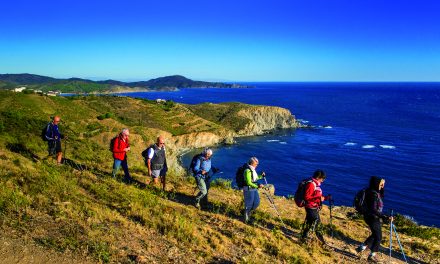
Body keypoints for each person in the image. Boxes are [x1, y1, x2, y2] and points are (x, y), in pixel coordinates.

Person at [356, 176, 391, 262]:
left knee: (375, 234)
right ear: (376, 184)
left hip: (370, 216)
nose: (382, 186)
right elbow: (373, 209)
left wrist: (382, 187)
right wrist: (384, 216)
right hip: (373, 217)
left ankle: (361, 247)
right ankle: (372, 255)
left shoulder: (371, 191)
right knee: (378, 237)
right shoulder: (373, 194)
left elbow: (381, 195)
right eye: (380, 184)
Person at [300, 169, 331, 246]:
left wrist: (325, 198)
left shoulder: (315, 184)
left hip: (313, 206)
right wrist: (319, 199)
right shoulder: (311, 184)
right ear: (318, 177)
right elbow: (307, 197)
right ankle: (322, 242)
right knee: (317, 224)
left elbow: (316, 196)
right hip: (311, 207)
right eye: (322, 179)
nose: (323, 180)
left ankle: (302, 238)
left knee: (309, 222)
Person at [242, 157, 265, 224]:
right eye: (256, 164)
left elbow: (255, 178)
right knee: (248, 204)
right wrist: (257, 186)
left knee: (256, 203)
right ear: (252, 163)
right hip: (248, 189)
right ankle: (246, 220)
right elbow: (248, 182)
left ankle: (247, 214)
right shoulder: (247, 170)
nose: (257, 165)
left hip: (254, 189)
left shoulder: (252, 170)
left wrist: (261, 176)